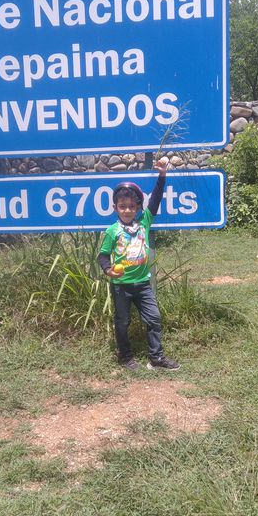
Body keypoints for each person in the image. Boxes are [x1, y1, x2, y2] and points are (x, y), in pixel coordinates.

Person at [98, 157, 180, 370]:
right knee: (122, 322)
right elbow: (103, 255)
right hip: (122, 286)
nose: (127, 210)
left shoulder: (144, 221)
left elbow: (155, 200)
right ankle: (125, 357)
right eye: (122, 206)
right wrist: (108, 270)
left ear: (137, 208)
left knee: (154, 319)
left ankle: (156, 358)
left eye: (131, 206)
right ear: (115, 207)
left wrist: (162, 175)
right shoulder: (111, 231)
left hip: (143, 284)